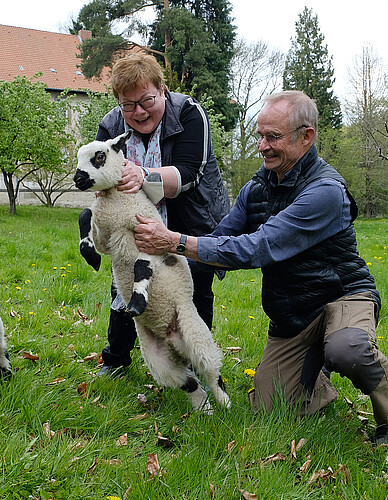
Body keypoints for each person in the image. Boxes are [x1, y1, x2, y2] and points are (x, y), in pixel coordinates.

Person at [133, 90, 388, 445]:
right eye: (259, 135)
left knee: (349, 349)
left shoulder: (325, 191)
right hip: (293, 315)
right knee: (272, 407)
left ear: (306, 136)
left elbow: (259, 246)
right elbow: (222, 237)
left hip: (342, 296)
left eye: (272, 137)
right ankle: (317, 372)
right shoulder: (258, 188)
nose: (262, 146)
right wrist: (160, 280)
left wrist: (173, 240)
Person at [94, 53, 231, 376]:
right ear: (118, 103)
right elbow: (98, 173)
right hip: (134, 224)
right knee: (126, 286)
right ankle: (116, 359)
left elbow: (190, 172)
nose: (139, 112)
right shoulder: (111, 125)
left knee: (194, 289)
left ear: (163, 90)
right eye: (129, 105)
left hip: (190, 218)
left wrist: (142, 176)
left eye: (147, 100)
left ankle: (197, 364)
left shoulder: (189, 114)